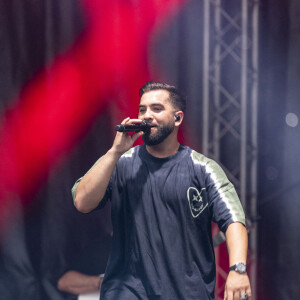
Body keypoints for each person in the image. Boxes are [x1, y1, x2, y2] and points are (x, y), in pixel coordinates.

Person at [72, 81, 251, 300]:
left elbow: (234, 220)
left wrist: (238, 269)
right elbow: (82, 202)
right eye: (142, 109)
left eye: (157, 109)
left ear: (178, 118)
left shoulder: (202, 169)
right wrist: (113, 153)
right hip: (126, 292)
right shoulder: (119, 162)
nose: (146, 115)